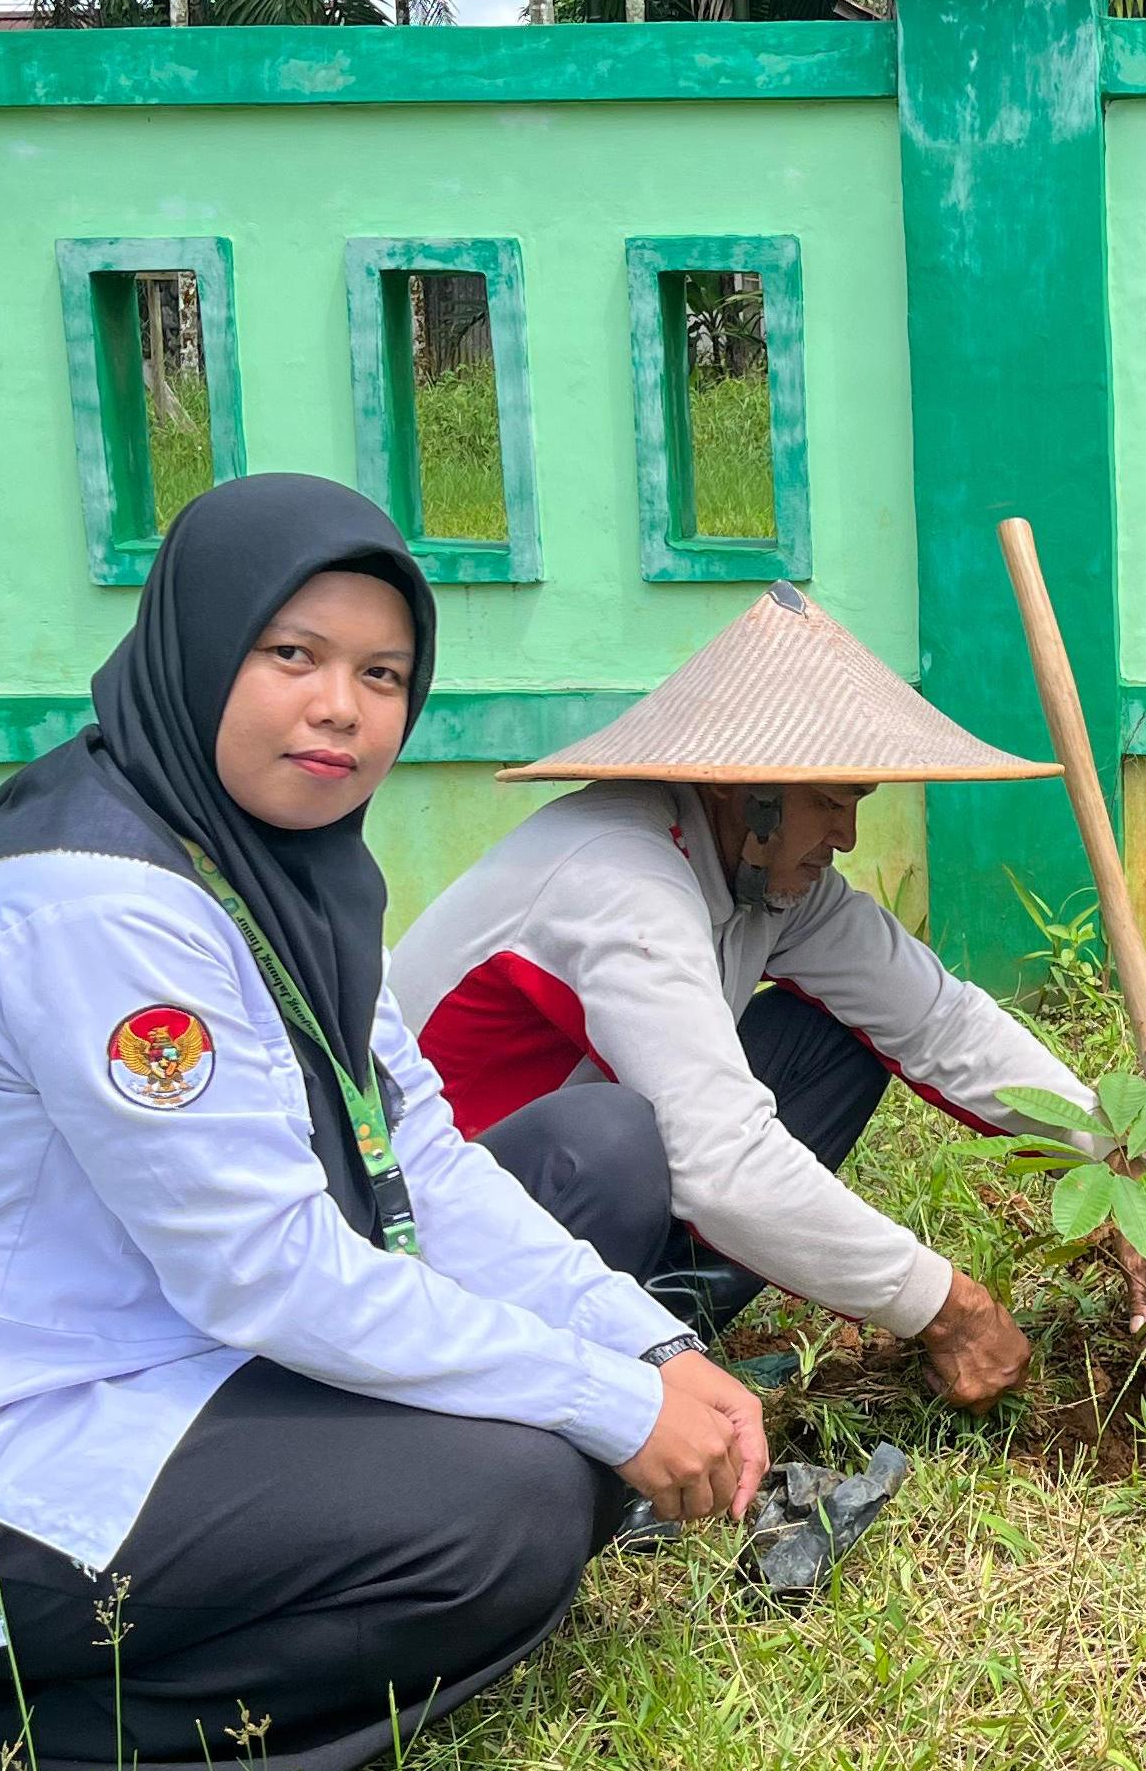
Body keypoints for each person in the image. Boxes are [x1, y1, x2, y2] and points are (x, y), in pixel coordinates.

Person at [0, 478, 770, 1771]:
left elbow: (423, 1153)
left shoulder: (276, 862)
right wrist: (608, 1409)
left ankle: (344, 1531)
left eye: (383, 671)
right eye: (291, 654)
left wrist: (645, 1350)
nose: (340, 707)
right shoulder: (101, 907)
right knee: (518, 1506)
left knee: (594, 1153)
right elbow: (270, 1277)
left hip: (155, 1352)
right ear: (199, 642)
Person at [391, 583, 1087, 1405]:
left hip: (566, 1209)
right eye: (828, 802)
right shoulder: (618, 878)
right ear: (738, 788)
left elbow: (937, 1020)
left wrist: (1116, 1153)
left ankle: (660, 1342)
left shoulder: (767, 881)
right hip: (427, 1234)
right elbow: (718, 1162)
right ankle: (574, 1396)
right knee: (614, 1138)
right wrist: (948, 1308)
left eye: (855, 803)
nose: (847, 836)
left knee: (829, 1040)